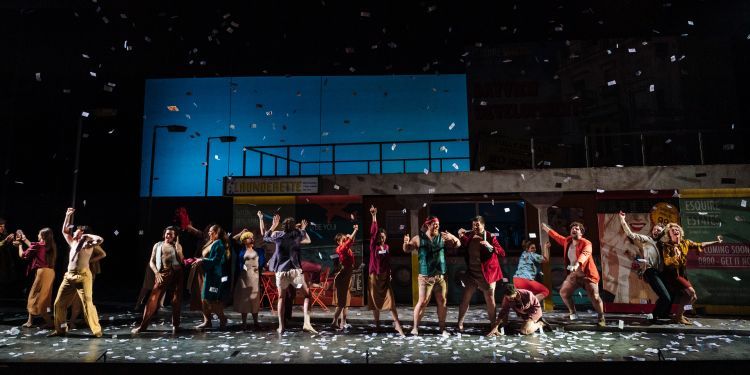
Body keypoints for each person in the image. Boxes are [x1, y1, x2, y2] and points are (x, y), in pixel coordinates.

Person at [48, 208, 105, 337]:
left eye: (77, 230)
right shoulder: (73, 242)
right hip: (69, 276)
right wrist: (67, 216)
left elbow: (100, 239)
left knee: (87, 304)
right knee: (59, 303)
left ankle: (97, 331)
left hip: (83, 276)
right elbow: (64, 230)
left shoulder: (87, 244)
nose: (74, 231)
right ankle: (61, 329)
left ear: (82, 233)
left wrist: (88, 236)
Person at [403, 216, 460, 336]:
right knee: (422, 301)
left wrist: (452, 237)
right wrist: (405, 243)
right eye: (434, 224)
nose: (437, 226)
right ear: (428, 225)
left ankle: (442, 328)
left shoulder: (443, 237)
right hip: (425, 276)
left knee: (442, 301)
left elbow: (458, 244)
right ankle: (415, 327)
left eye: (438, 224)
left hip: (440, 276)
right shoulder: (419, 238)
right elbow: (407, 249)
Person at [542, 221, 606, 327]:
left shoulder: (586, 243)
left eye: (576, 228)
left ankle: (601, 317)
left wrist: (577, 264)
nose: (574, 229)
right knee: (564, 293)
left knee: (594, 296)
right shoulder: (567, 241)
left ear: (581, 232)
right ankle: (573, 313)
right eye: (572, 228)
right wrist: (546, 229)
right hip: (574, 275)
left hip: (588, 275)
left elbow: (585, 254)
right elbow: (556, 236)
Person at [659, 222, 722, 325]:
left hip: (682, 273)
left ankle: (679, 314)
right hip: (673, 274)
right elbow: (667, 262)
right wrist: (676, 256)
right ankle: (678, 316)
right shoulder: (667, 246)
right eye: (673, 230)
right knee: (691, 293)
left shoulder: (685, 243)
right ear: (669, 234)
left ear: (680, 232)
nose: (676, 231)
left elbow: (701, 244)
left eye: (677, 229)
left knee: (693, 298)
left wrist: (716, 242)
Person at [265, 214, 317, 334]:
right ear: (294, 227)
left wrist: (273, 225)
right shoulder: (297, 235)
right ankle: (306, 323)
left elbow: (266, 237)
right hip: (294, 273)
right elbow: (308, 240)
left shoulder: (277, 234)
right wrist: (303, 228)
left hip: (281, 272)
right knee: (307, 295)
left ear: (282, 226)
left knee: (281, 298)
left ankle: (281, 326)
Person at [456, 215, 506, 336]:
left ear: (483, 225)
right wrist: (460, 235)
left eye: (477, 224)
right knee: (465, 298)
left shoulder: (490, 236)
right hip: (472, 273)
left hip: (487, 273)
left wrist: (491, 246)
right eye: (473, 225)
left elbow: (502, 252)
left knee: (490, 299)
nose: (475, 227)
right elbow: (464, 243)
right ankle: (459, 323)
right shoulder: (470, 236)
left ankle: (493, 326)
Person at [618, 211, 671, 323]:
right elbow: (631, 234)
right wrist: (622, 220)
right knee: (665, 297)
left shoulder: (664, 243)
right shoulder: (647, 240)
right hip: (650, 271)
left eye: (659, 230)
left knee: (666, 297)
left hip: (662, 272)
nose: (656, 231)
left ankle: (661, 315)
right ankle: (653, 317)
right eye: (655, 229)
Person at [132, 226, 185, 334]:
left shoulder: (177, 246)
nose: (168, 235)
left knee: (176, 301)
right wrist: (156, 272)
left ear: (175, 236)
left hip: (177, 274)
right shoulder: (158, 245)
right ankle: (143, 326)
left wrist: (179, 251)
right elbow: (151, 262)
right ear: (164, 234)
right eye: (167, 233)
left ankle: (176, 325)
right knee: (152, 300)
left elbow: (182, 261)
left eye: (171, 234)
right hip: (163, 273)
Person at [367, 205, 404, 336]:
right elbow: (373, 231)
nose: (381, 239)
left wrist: (389, 273)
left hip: (384, 277)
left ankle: (397, 324)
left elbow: (388, 261)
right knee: (375, 301)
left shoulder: (387, 247)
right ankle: (377, 325)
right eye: (379, 237)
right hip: (374, 278)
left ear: (386, 237)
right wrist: (374, 216)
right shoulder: (373, 246)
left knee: (391, 300)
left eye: (383, 237)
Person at [231, 210, 267, 330]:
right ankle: (244, 322)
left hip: (255, 276)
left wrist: (258, 267)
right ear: (244, 240)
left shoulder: (259, 250)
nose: (251, 239)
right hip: (244, 276)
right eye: (248, 238)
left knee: (254, 299)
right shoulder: (241, 251)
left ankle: (256, 321)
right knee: (244, 299)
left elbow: (261, 262)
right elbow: (232, 240)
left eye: (251, 237)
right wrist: (242, 232)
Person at [17, 228, 57, 328]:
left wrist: (20, 245)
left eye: (39, 234)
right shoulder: (51, 246)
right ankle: (30, 321)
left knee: (34, 296)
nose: (37, 235)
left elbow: (23, 255)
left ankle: (49, 322)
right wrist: (25, 239)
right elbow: (34, 247)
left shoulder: (38, 245)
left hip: (42, 273)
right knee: (45, 297)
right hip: (50, 272)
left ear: (42, 236)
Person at [193, 224, 230, 330]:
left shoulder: (219, 244)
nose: (209, 233)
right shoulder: (212, 242)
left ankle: (222, 318)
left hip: (215, 277)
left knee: (212, 300)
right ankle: (207, 321)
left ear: (217, 233)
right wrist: (199, 259)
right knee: (205, 299)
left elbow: (216, 260)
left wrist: (202, 260)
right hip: (208, 275)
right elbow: (207, 257)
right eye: (209, 231)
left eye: (211, 232)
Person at [331, 224, 359, 331]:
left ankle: (342, 322)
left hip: (347, 275)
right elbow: (349, 241)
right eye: (343, 239)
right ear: (339, 241)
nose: (345, 240)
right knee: (342, 303)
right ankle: (334, 322)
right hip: (343, 276)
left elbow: (351, 241)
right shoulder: (341, 248)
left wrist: (351, 235)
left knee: (345, 301)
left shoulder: (345, 248)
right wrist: (355, 230)